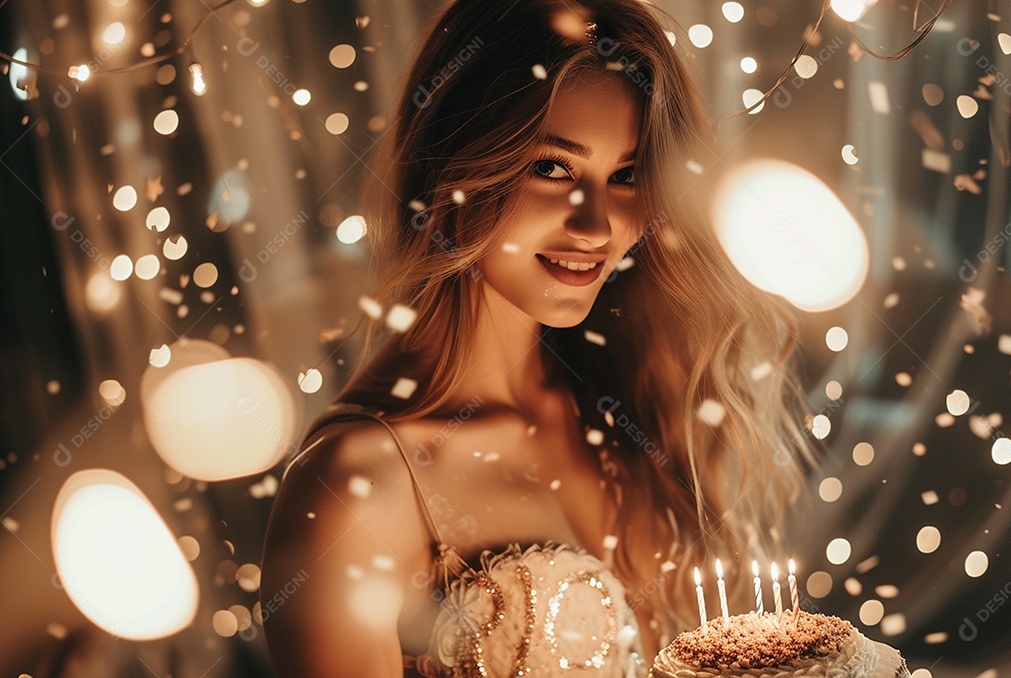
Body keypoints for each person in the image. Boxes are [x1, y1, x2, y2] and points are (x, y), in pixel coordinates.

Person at [260, 0, 813, 675]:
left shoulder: (633, 410)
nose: (596, 226)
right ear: (455, 162)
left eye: (627, 175)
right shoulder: (358, 483)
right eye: (553, 167)